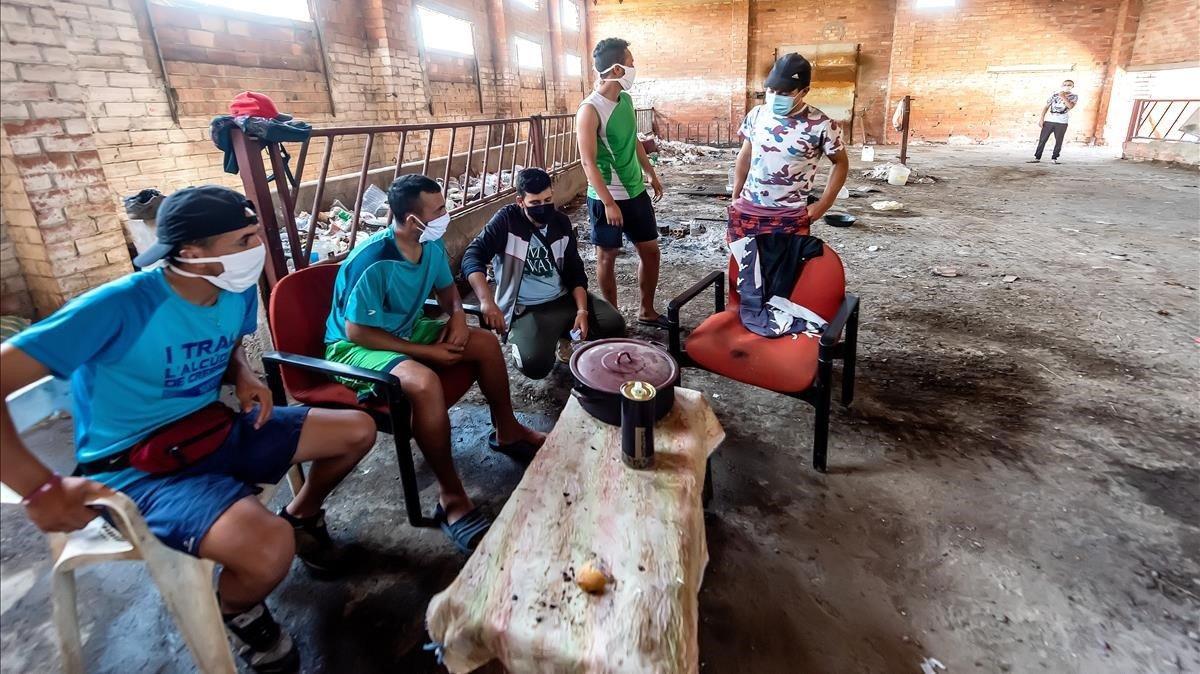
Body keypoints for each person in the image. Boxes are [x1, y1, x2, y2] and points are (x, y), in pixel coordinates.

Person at [0, 186, 379, 673]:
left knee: (356, 430)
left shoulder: (234, 289)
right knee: (268, 549)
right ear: (190, 254)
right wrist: (38, 487)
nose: (257, 248)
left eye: (256, 235)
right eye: (243, 240)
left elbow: (231, 345)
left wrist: (240, 373)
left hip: (211, 430)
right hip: (136, 469)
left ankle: (302, 516)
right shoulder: (119, 306)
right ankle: (237, 610)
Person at [323, 174, 545, 553]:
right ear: (412, 220)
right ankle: (451, 498)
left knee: (485, 344)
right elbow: (358, 331)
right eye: (440, 210)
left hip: (404, 331)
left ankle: (507, 430)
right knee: (423, 382)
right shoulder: (373, 260)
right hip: (354, 346)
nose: (447, 214)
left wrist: (457, 317)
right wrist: (427, 353)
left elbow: (448, 293)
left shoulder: (430, 245)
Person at [462, 168, 626, 379]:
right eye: (535, 203)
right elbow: (472, 256)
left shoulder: (560, 222)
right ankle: (521, 338)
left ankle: (563, 335)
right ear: (520, 201)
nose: (544, 208)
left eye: (548, 200)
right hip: (526, 308)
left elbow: (574, 270)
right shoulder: (507, 222)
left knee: (614, 324)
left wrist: (582, 311)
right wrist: (486, 301)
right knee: (535, 364)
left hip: (562, 298)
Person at [576, 37, 670, 330]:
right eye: (630, 63)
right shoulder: (589, 110)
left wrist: (651, 174)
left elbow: (635, 143)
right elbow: (587, 162)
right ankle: (612, 318)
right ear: (617, 69)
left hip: (635, 191)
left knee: (650, 251)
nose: (634, 67)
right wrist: (608, 203)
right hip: (607, 196)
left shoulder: (626, 100)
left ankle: (647, 310)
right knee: (607, 256)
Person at [730, 52, 849, 242]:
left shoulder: (821, 124)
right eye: (771, 91)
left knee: (787, 270)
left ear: (804, 91)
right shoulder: (757, 115)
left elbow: (840, 163)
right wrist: (736, 194)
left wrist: (823, 204)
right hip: (748, 208)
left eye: (784, 94)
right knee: (745, 267)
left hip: (789, 215)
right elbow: (746, 154)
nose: (775, 97)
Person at [1031, 80, 1078, 164]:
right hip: (1049, 120)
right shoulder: (1054, 96)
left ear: (1072, 86)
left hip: (1062, 122)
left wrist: (1063, 97)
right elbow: (1046, 107)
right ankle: (1037, 157)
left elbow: (1070, 106)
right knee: (1042, 139)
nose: (1067, 86)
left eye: (1069, 85)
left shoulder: (1074, 96)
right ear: (1062, 85)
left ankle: (1054, 158)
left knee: (1058, 141)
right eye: (1065, 85)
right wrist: (1041, 119)